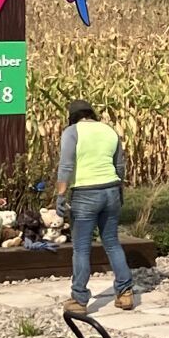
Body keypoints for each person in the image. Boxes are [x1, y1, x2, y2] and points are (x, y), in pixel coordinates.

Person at [54, 99, 134, 315]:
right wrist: (119, 192)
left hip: (85, 194)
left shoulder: (72, 132)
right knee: (112, 243)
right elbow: (120, 166)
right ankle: (125, 293)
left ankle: (79, 299)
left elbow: (66, 165)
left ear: (72, 116)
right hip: (111, 191)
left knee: (81, 248)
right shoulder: (109, 131)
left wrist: (60, 196)